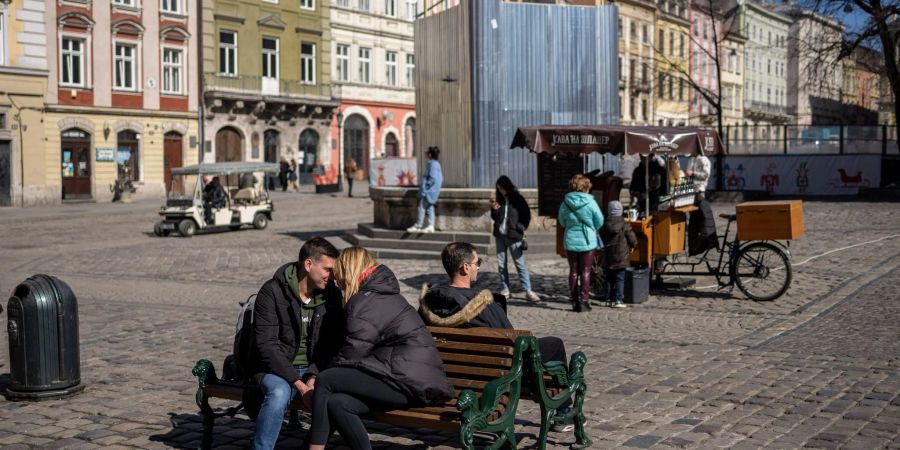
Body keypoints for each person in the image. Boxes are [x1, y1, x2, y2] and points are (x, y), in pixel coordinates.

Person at [418, 242, 577, 432]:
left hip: (452, 373)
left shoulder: (428, 303)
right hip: (492, 373)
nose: (479, 266)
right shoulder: (483, 304)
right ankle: (563, 412)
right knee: (554, 344)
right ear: (465, 267)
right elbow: (514, 344)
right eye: (478, 262)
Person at [307, 247, 453, 450]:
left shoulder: (366, 301)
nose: (336, 281)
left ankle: (314, 448)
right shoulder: (378, 293)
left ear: (349, 271)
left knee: (326, 380)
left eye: (339, 276)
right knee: (338, 403)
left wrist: (318, 375)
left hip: (407, 382)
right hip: (406, 378)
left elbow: (353, 351)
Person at [247, 238, 344, 450]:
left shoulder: (332, 295)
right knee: (279, 394)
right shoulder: (272, 292)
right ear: (308, 265)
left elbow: (332, 345)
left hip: (313, 369)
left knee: (338, 399)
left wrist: (313, 376)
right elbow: (267, 346)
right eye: (327, 269)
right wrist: (299, 384)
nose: (332, 276)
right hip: (274, 369)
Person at [558, 174, 604, 313]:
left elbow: (562, 222)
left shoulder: (565, 203)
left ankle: (574, 300)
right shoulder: (591, 203)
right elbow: (600, 221)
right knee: (586, 271)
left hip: (571, 240)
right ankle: (584, 301)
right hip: (587, 241)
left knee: (573, 271)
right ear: (586, 187)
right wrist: (591, 227)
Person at [490, 176, 539, 302]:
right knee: (501, 264)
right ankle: (505, 289)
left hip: (514, 236)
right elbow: (495, 217)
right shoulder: (499, 199)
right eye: (498, 189)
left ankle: (528, 290)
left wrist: (520, 226)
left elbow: (526, 215)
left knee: (520, 264)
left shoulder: (518, 199)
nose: (500, 191)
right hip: (500, 236)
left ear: (507, 186)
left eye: (502, 188)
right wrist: (494, 210)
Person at [599, 201, 637, 308]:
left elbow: (601, 236)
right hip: (621, 257)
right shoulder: (625, 224)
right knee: (620, 279)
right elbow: (632, 238)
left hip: (608, 256)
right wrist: (633, 246)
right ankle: (618, 300)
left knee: (609, 278)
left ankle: (608, 299)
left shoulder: (604, 224)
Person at [407, 146, 442, 233]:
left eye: (427, 153)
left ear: (430, 155)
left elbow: (432, 178)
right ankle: (431, 226)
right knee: (430, 207)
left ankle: (418, 225)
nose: (426, 155)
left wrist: (425, 188)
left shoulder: (433, 164)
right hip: (432, 190)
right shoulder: (436, 164)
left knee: (421, 207)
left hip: (429, 191)